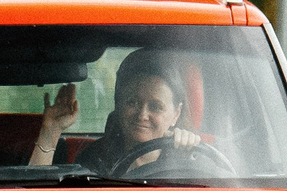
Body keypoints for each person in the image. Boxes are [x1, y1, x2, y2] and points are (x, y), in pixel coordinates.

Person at [30, 49, 204, 174]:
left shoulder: (191, 158)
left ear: (176, 113)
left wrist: (191, 156)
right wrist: (50, 132)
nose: (142, 115)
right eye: (132, 102)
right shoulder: (94, 159)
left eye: (155, 106)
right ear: (118, 105)